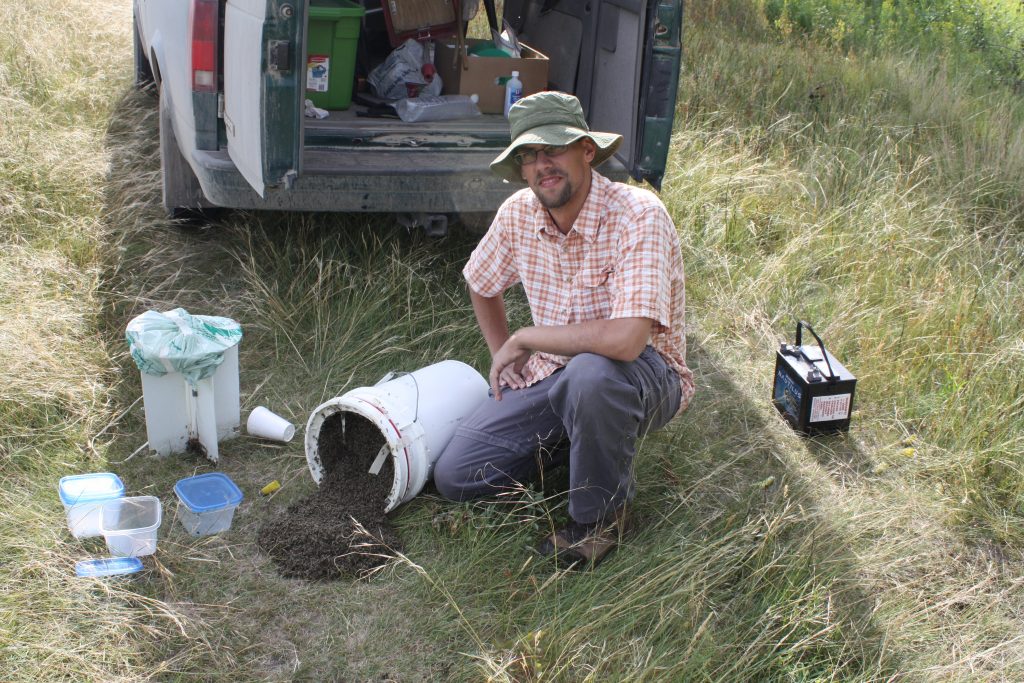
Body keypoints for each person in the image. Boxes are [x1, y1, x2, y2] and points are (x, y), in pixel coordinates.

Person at [433, 91, 694, 569]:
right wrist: (505, 356)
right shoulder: (519, 212)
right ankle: (582, 442)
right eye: (528, 156)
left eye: (552, 149)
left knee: (592, 376)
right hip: (555, 375)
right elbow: (480, 281)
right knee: (457, 476)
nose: (541, 166)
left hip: (646, 374)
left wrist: (526, 338)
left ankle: (599, 520)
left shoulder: (637, 214)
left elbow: (626, 341)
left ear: (587, 151)